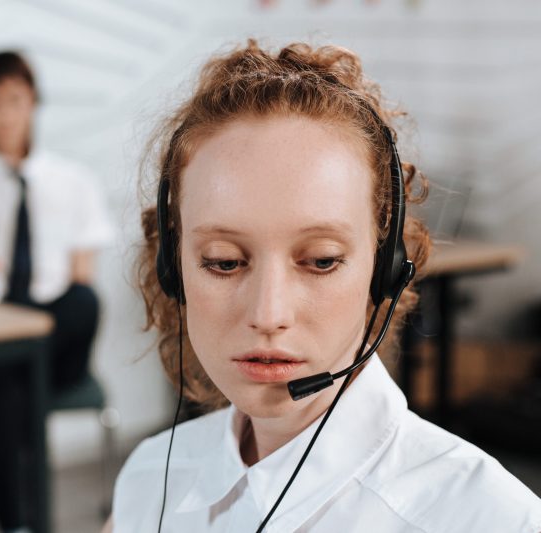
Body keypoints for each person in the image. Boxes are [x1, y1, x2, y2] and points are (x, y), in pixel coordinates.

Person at [107, 41, 541, 532]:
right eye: (224, 262)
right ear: (172, 268)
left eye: (321, 261)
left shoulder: (488, 517)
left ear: (385, 270)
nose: (268, 314)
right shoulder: (149, 481)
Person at [0, 51, 114, 532]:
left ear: (33, 102)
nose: (5, 114)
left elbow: (82, 277)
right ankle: (22, 525)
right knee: (7, 393)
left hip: (57, 344)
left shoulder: (74, 180)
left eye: (15, 99)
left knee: (82, 302)